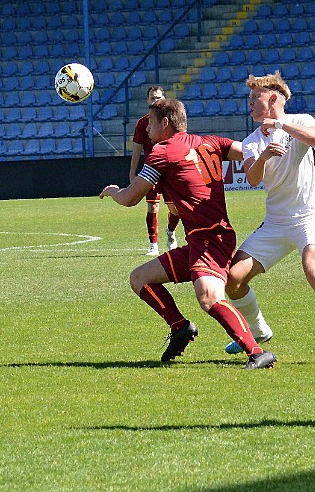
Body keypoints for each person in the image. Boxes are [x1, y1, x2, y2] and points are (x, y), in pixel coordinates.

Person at [101, 98, 276, 369]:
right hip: (201, 238)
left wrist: (113, 191)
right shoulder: (212, 142)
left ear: (166, 123)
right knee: (139, 279)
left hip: (210, 237)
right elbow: (248, 150)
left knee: (209, 296)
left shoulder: (162, 152)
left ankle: (256, 352)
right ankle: (180, 327)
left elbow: (130, 198)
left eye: (150, 123)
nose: (146, 129)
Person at [222, 71, 315, 366]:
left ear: (272, 99)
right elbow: (254, 179)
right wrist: (266, 155)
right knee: (232, 280)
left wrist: (280, 124)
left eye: (255, 98)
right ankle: (259, 331)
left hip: (309, 218)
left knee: (313, 269)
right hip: (275, 223)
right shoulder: (252, 141)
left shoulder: (302, 121)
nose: (250, 104)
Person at [129, 86, 181, 255]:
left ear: (163, 98)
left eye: (158, 97)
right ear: (147, 101)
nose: (155, 100)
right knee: (153, 208)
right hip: (151, 170)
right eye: (152, 98)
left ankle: (171, 232)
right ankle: (153, 244)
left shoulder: (171, 121)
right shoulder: (142, 123)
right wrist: (132, 173)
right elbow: (136, 150)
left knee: (175, 210)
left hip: (170, 170)